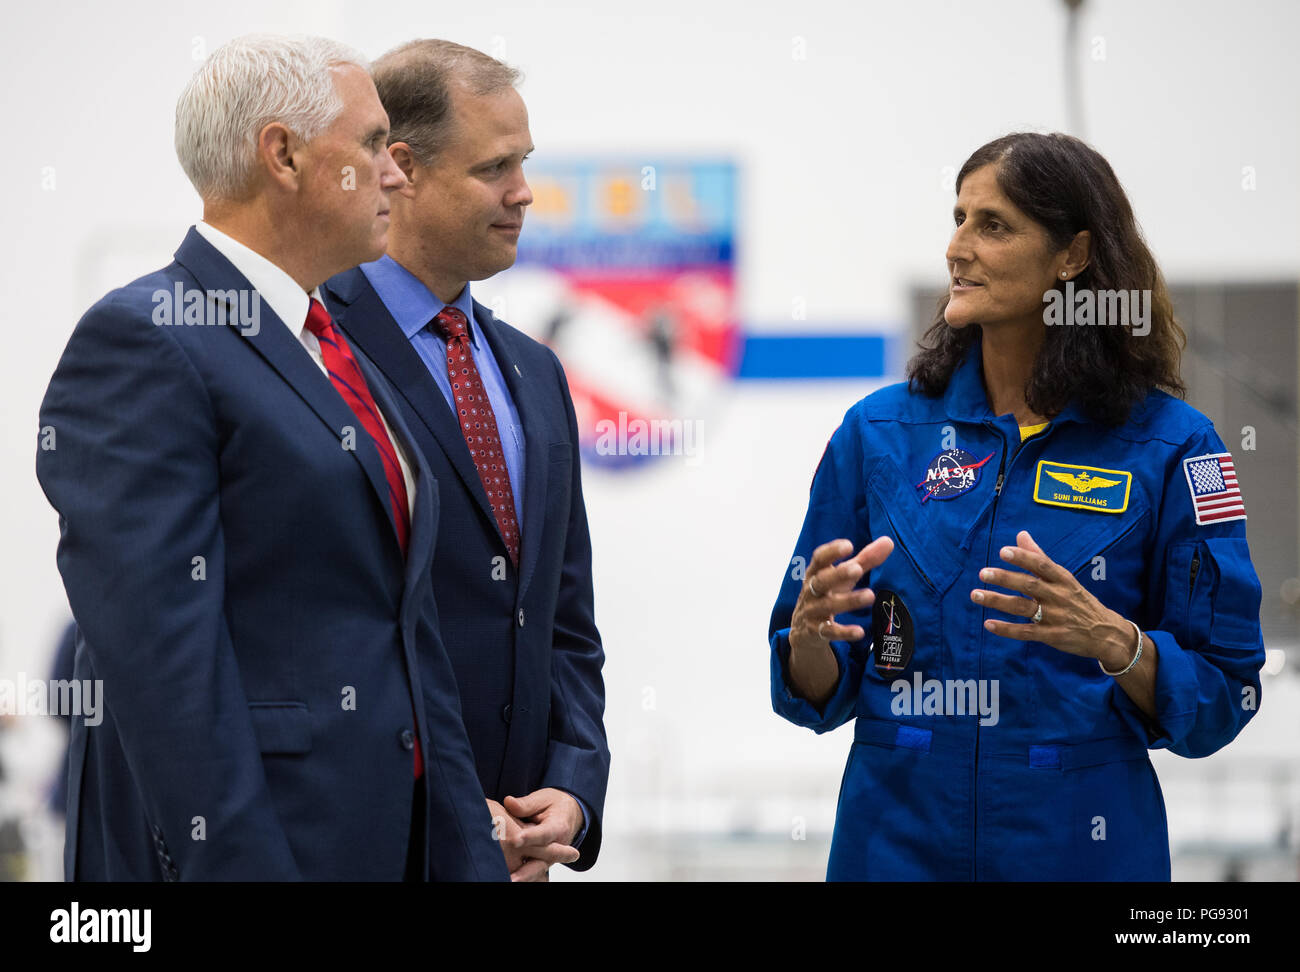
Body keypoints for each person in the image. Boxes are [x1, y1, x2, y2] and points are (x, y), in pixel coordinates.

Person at [35, 34, 507, 881]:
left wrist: (464, 848)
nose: (396, 172)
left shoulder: (330, 349)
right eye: (370, 145)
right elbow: (163, 670)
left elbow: (406, 634)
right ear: (282, 154)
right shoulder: (148, 338)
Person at [769, 132, 1266, 880]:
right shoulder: (878, 434)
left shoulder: (1173, 447)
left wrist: (1116, 641)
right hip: (893, 842)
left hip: (1080, 847)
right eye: (958, 217)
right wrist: (810, 637)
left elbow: (1228, 691)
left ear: (1072, 257)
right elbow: (813, 688)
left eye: (992, 225)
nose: (957, 248)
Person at [322, 39, 609, 880]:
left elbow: (563, 615)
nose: (524, 192)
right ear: (401, 168)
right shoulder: (315, 351)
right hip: (377, 834)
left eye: (525, 163)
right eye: (496, 168)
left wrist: (573, 789)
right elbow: (325, 630)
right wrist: (453, 810)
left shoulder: (535, 371)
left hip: (522, 849)